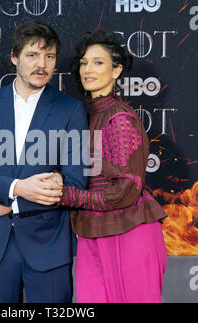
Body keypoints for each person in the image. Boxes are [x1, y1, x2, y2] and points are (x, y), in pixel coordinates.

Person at [0, 21, 88, 303]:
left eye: (49, 57)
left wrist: (15, 202)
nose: (42, 64)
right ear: (14, 56)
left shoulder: (71, 110)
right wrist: (16, 188)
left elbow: (76, 182)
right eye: (32, 55)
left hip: (48, 245)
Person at [54, 30, 168, 303]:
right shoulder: (84, 115)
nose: (87, 69)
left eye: (98, 62)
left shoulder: (120, 120)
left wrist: (67, 195)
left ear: (117, 70)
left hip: (128, 234)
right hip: (92, 234)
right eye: (83, 62)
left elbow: (127, 189)